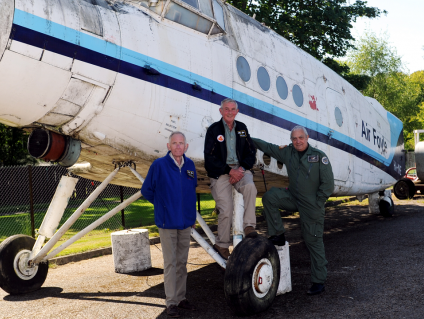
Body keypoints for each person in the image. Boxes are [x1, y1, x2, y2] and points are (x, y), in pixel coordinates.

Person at [252, 125, 334, 296]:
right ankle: (278, 234)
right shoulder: (288, 152)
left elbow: (328, 185)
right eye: (294, 139)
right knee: (270, 197)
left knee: (313, 242)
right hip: (294, 198)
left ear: (307, 137)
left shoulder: (319, 157)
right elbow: (268, 147)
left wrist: (318, 203)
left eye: (300, 138)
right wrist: (247, 139)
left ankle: (319, 281)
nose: (298, 141)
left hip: (312, 205)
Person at [141, 131, 198, 318]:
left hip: (185, 224)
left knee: (182, 263)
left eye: (181, 143)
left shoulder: (190, 166)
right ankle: (171, 302)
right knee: (170, 263)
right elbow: (147, 190)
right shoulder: (159, 165)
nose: (178, 146)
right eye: (175, 143)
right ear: (169, 146)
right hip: (167, 223)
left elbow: (191, 192)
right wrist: (162, 207)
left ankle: (181, 298)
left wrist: (191, 218)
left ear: (186, 146)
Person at [204, 98, 258, 259]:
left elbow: (251, 152)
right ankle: (221, 245)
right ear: (221, 111)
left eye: (232, 109)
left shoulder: (242, 128)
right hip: (221, 172)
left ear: (237, 111)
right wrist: (229, 170)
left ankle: (249, 226)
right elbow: (209, 158)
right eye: (226, 109)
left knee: (250, 187)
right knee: (226, 209)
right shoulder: (214, 130)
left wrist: (241, 169)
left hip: (240, 170)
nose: (229, 112)